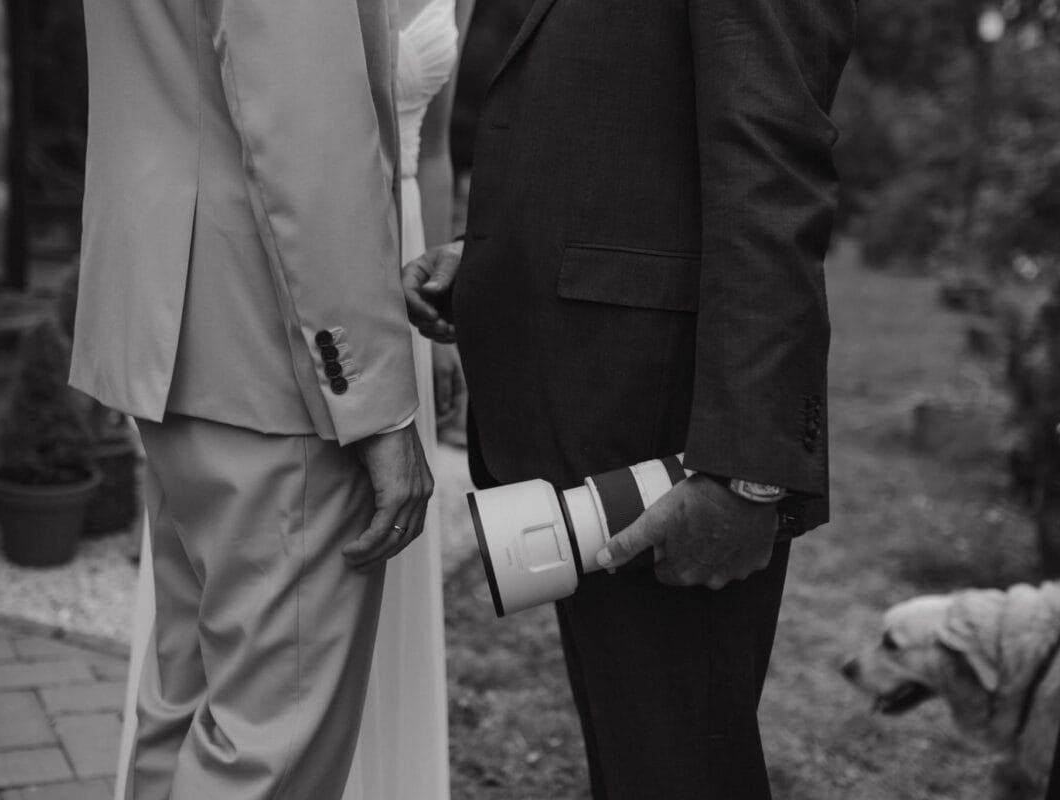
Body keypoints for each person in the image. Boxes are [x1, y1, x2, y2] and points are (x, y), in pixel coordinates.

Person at [404, 0, 856, 797]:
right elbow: (624, 137)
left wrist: (746, 475)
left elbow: (772, 176)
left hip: (670, 436)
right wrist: (492, 257)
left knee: (682, 770)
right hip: (594, 410)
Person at [73, 1, 433, 798]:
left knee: (184, 705)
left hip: (170, 327)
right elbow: (305, 131)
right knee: (268, 752)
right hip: (275, 354)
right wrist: (374, 402)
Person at [342, 0, 471, 796]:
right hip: (317, 233)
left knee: (394, 517)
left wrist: (446, 323)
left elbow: (438, 148)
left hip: (412, 249)